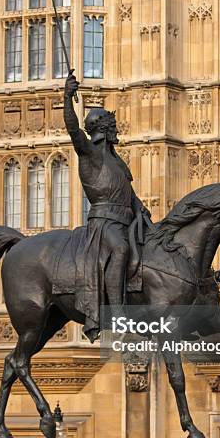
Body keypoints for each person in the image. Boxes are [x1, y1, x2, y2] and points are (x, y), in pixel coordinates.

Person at [64, 71, 153, 342]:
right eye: (112, 125)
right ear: (102, 128)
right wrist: (67, 97)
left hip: (126, 220)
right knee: (120, 248)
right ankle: (117, 314)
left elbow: (128, 194)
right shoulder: (89, 153)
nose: (116, 129)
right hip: (105, 224)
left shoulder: (116, 162)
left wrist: (141, 210)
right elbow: (72, 129)